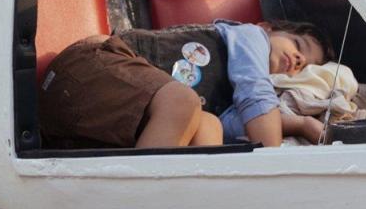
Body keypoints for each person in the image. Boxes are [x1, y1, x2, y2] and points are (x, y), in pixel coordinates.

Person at [38, 19, 334, 150]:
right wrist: (274, 167)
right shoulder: (250, 36)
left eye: (305, 66)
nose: (297, 58)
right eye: (298, 44)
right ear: (266, 27)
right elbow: (256, 97)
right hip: (84, 70)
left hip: (95, 120)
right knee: (184, 101)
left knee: (208, 126)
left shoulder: (230, 103)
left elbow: (246, 125)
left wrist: (302, 124)